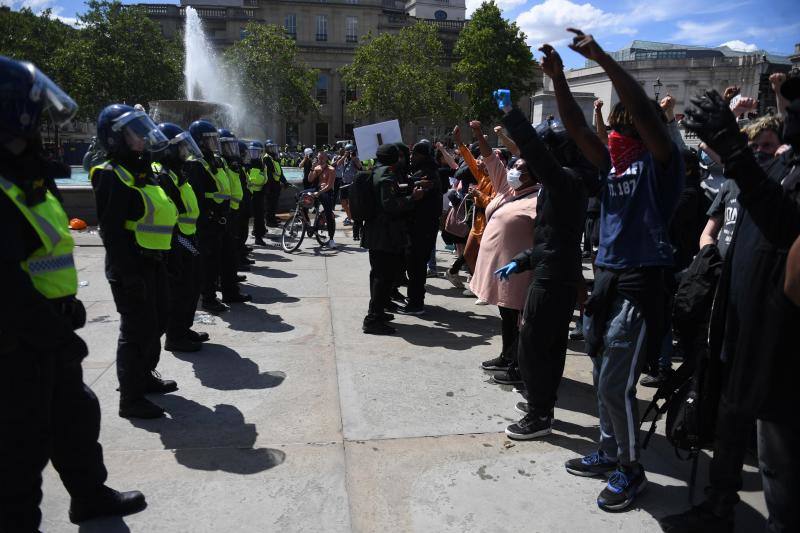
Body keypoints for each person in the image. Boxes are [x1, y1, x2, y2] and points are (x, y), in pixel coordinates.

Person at [0, 56, 148, 531]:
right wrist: (51, 331)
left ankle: (89, 495)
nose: (43, 126)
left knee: (75, 417)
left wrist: (64, 310)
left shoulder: (24, 176)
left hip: (49, 325)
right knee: (20, 451)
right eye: (36, 115)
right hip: (18, 340)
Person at [549, 31, 685, 512]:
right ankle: (609, 452)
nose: (613, 134)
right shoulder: (612, 166)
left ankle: (631, 468)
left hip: (641, 279)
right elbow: (576, 128)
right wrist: (559, 79)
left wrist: (603, 59)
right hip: (606, 276)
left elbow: (644, 114)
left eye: (623, 128)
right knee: (599, 370)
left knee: (614, 382)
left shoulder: (662, 163)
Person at [660, 75, 800, 533]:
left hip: (779, 341)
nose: (790, 109)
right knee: (728, 422)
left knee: (778, 459)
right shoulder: (775, 169)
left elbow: (783, 221)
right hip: (735, 323)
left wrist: (735, 150)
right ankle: (718, 507)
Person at [90, 103, 179, 420]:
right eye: (133, 133)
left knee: (158, 321)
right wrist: (127, 275)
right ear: (115, 138)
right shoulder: (111, 174)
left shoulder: (142, 171)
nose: (141, 138)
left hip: (153, 260)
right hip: (130, 264)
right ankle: (130, 398)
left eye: (142, 132)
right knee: (136, 330)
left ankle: (144, 376)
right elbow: (112, 231)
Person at [470, 138, 538, 378]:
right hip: (503, 271)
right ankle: (507, 356)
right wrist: (478, 133)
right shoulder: (509, 190)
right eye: (514, 166)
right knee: (507, 315)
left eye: (521, 169)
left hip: (521, 272)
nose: (514, 172)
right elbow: (491, 160)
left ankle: (518, 365)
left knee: (518, 319)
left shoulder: (539, 200)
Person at [152, 122, 207, 352]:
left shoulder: (175, 172)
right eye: (182, 147)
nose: (186, 150)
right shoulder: (162, 175)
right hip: (177, 238)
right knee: (181, 289)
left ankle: (184, 328)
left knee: (192, 286)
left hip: (187, 235)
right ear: (168, 149)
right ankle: (175, 336)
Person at [361, 143, 424, 334]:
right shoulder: (386, 174)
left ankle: (378, 311)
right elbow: (389, 205)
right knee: (383, 276)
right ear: (394, 158)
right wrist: (413, 198)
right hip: (384, 234)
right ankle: (372, 319)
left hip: (376, 232)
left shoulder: (376, 170)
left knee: (378, 275)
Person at [186, 120, 230, 314]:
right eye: (209, 139)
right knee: (207, 262)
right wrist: (209, 215)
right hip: (206, 223)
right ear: (199, 141)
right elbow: (198, 196)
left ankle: (211, 294)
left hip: (216, 220)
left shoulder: (211, 160)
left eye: (215, 139)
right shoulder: (195, 163)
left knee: (214, 261)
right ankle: (208, 299)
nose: (214, 143)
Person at [401, 140, 443, 314]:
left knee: (416, 265)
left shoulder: (428, 174)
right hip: (422, 227)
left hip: (422, 227)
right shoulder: (424, 171)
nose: (412, 157)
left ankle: (416, 303)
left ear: (423, 156)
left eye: (415, 154)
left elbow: (416, 194)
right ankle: (416, 298)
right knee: (415, 265)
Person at [217, 128, 251, 304]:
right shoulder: (218, 163)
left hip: (233, 211)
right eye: (227, 146)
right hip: (224, 214)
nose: (232, 150)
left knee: (230, 254)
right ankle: (223, 288)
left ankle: (230, 287)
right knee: (224, 255)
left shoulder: (229, 163)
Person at [307, 151, 338, 248]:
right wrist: (312, 168)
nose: (320, 160)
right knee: (300, 196)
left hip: (326, 191)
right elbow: (310, 180)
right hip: (317, 189)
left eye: (322, 158)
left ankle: (331, 239)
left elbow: (329, 186)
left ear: (326, 158)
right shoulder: (317, 168)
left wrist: (319, 193)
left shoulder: (331, 169)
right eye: (318, 158)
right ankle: (306, 222)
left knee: (328, 213)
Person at [246, 141, 268, 246]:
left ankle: (258, 236)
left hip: (259, 194)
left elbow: (265, 178)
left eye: (256, 152)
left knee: (259, 216)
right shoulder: (247, 164)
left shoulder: (262, 164)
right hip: (249, 194)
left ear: (260, 153)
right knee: (246, 217)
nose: (253, 154)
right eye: (252, 151)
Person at [336, 143, 362, 228]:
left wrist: (354, 158)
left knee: (351, 203)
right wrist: (344, 156)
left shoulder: (355, 158)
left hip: (351, 184)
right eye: (346, 151)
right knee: (343, 203)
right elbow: (338, 164)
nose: (348, 153)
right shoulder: (344, 159)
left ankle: (351, 218)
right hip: (344, 183)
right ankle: (349, 216)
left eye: (349, 151)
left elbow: (360, 167)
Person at [263, 142, 288, 227]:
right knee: (270, 204)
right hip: (271, 185)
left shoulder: (274, 158)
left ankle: (273, 218)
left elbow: (279, 172)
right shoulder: (266, 158)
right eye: (271, 148)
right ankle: (269, 221)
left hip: (276, 184)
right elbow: (269, 173)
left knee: (274, 204)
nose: (273, 150)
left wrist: (285, 182)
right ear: (267, 149)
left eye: (274, 147)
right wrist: (269, 186)